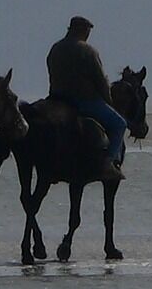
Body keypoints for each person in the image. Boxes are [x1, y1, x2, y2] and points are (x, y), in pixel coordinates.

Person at [46, 16, 127, 182]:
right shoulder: (87, 51)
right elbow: (101, 80)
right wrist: (108, 101)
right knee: (120, 124)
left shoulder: (55, 48)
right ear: (83, 30)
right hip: (84, 101)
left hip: (57, 99)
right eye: (88, 31)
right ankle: (108, 163)